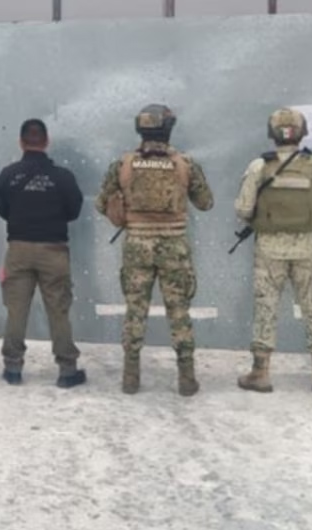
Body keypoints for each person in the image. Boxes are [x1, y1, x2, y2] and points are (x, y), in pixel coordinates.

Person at [95, 104, 214, 397]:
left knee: (135, 311)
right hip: (175, 246)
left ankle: (130, 378)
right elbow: (205, 203)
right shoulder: (185, 163)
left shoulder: (123, 164)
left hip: (137, 244)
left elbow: (101, 204)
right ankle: (187, 378)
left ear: (140, 129)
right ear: (169, 129)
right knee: (179, 311)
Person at [234, 108, 312, 393]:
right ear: (303, 132)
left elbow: (243, 209)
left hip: (269, 248)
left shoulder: (258, 167)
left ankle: (260, 373)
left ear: (271, 133)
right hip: (307, 248)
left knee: (266, 307)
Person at [0, 119, 84, 387]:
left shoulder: (8, 175)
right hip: (54, 251)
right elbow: (74, 211)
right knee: (58, 310)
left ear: (21, 142)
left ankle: (12, 368)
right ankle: (67, 370)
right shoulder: (63, 177)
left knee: (16, 310)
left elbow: (2, 209)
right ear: (47, 141)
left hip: (18, 249)